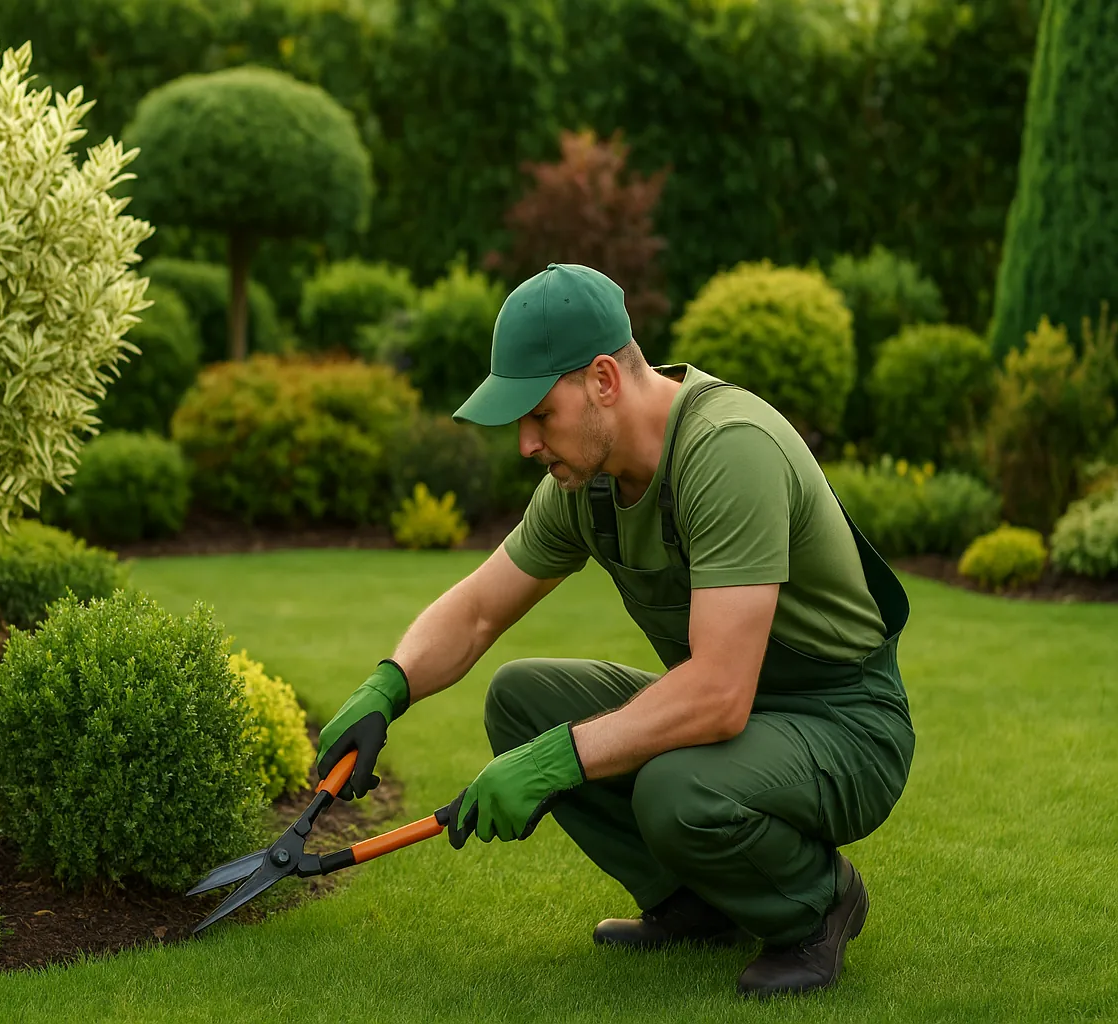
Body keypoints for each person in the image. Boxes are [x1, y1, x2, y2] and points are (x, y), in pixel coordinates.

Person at [313, 263, 914, 998]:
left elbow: (721, 693)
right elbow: (476, 611)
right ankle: (694, 904)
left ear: (603, 380)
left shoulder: (728, 451)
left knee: (676, 789)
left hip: (845, 725)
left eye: (539, 415)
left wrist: (551, 765)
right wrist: (387, 685)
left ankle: (818, 903)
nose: (527, 444)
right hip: (751, 718)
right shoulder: (585, 483)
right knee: (521, 699)